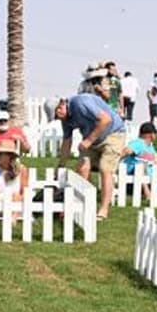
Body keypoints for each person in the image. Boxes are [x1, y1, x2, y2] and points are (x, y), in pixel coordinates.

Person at [55, 93, 127, 221]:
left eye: (57, 112)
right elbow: (67, 141)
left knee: (105, 168)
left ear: (62, 103)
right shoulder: (65, 119)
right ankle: (82, 204)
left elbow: (105, 119)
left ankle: (104, 209)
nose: (57, 118)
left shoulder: (80, 103)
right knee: (82, 167)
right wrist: (61, 165)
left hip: (113, 134)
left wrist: (88, 141)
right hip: (93, 138)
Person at [121, 123, 157, 201]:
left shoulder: (150, 147)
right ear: (151, 134)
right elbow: (125, 151)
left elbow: (156, 161)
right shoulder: (138, 143)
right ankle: (147, 193)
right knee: (140, 166)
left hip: (150, 179)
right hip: (134, 179)